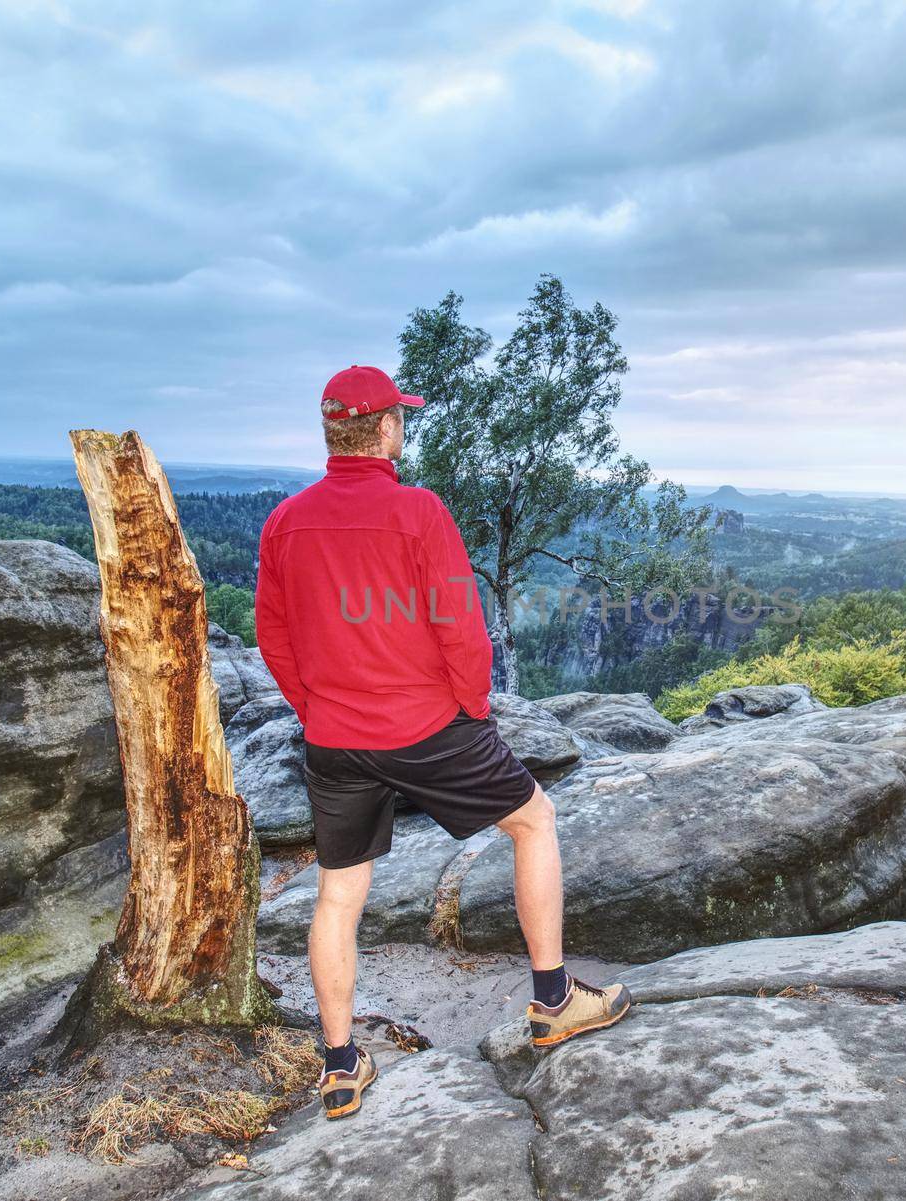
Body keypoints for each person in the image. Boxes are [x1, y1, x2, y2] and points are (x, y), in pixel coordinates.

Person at [254, 364, 633, 1120]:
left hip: (335, 739)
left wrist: (317, 707)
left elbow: (274, 635)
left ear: (334, 431)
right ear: (387, 428)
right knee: (534, 821)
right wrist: (473, 711)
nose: (404, 427)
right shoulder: (419, 511)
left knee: (338, 894)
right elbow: (461, 630)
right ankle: (554, 998)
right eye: (402, 418)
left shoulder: (285, 522)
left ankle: (338, 1066)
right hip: (428, 725)